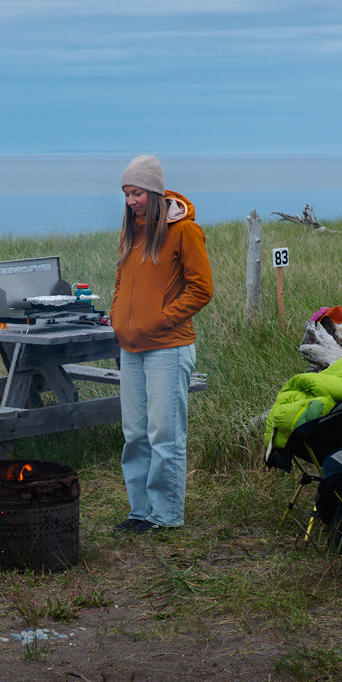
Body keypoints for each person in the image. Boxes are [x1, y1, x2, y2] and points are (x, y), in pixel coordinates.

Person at [108, 155, 213, 533]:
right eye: (126, 193)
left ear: (153, 192)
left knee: (164, 435)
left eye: (136, 192)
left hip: (168, 347)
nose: (130, 200)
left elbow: (202, 288)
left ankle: (165, 515)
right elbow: (121, 282)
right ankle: (140, 511)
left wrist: (162, 318)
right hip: (131, 347)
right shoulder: (131, 232)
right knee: (135, 434)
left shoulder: (185, 231)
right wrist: (119, 316)